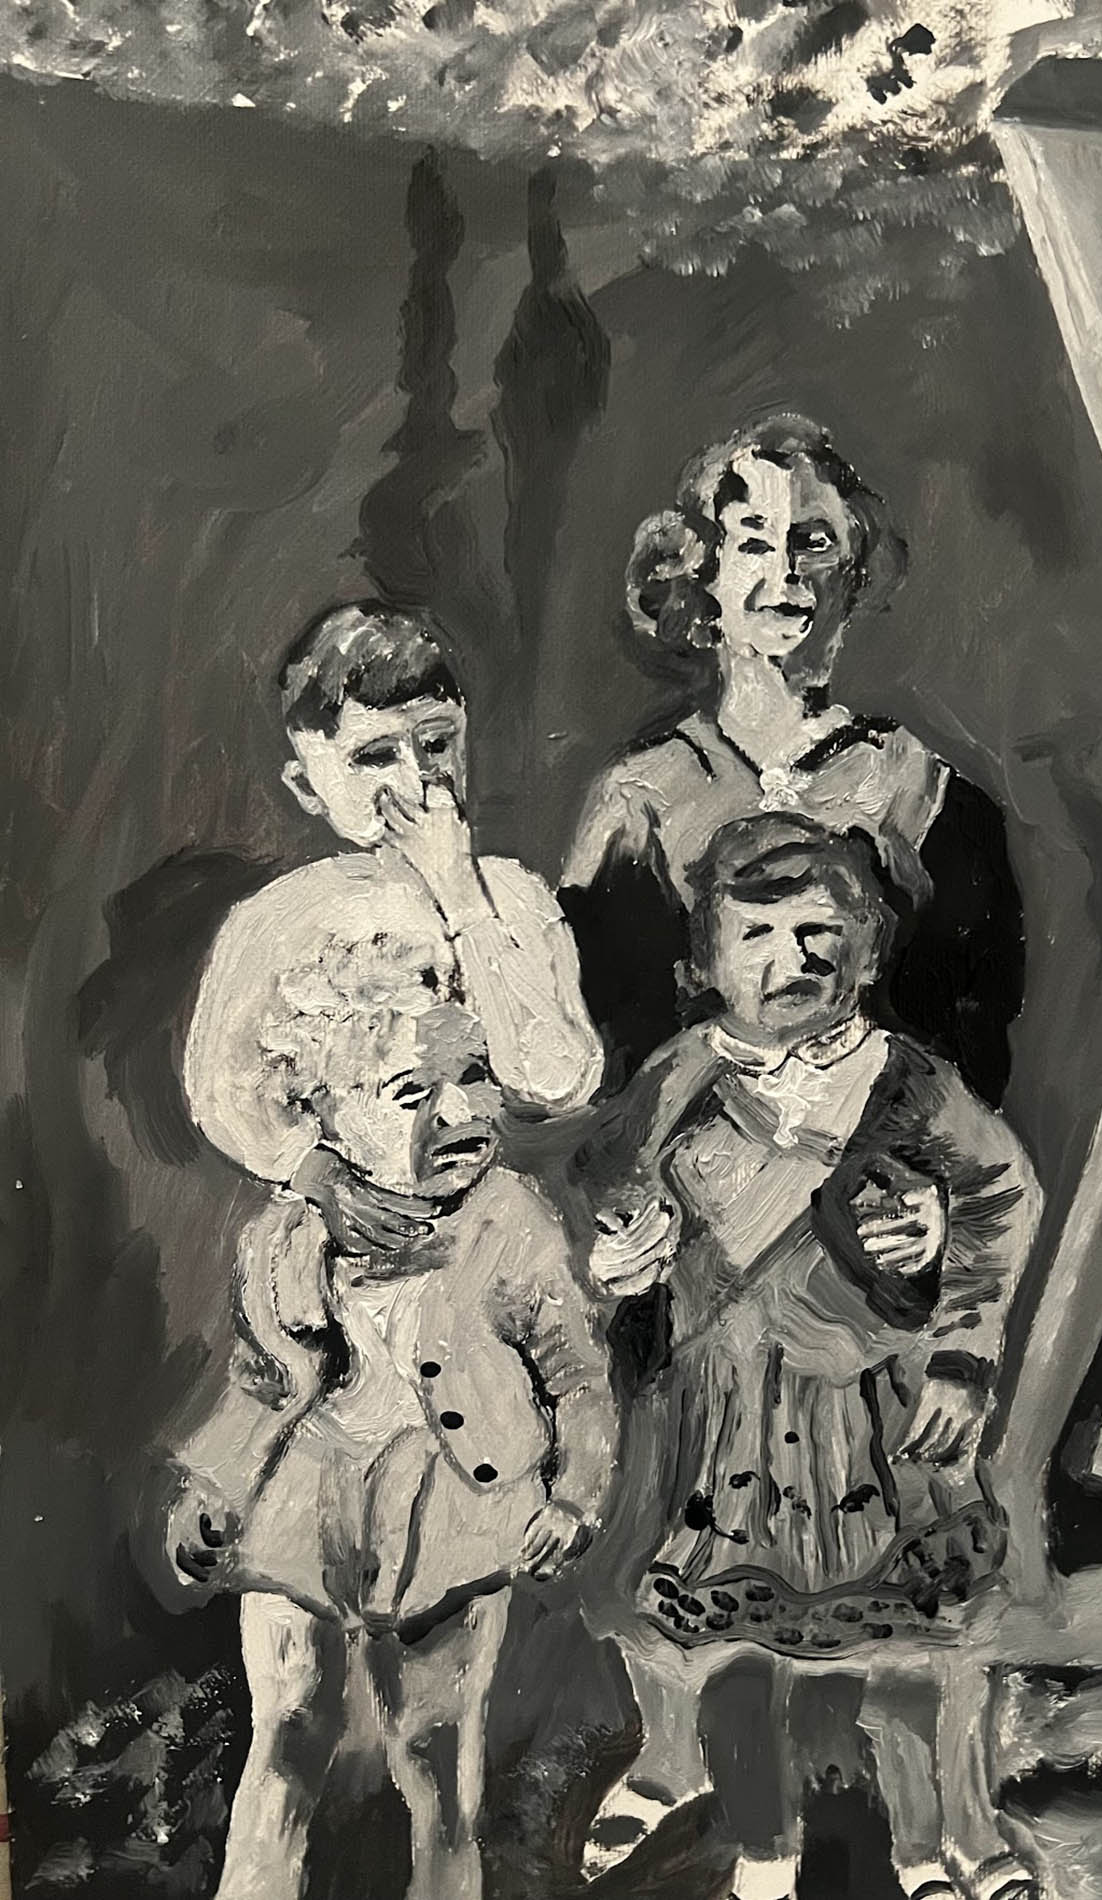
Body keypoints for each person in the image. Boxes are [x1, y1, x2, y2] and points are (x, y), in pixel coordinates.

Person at [576, 815, 1042, 1900]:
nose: (794, 958)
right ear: (706, 963)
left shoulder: (908, 1081)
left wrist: (962, 1345)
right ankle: (764, 1850)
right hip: (722, 1423)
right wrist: (620, 1245)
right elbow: (608, 1180)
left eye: (821, 933)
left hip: (878, 1414)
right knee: (735, 1651)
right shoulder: (680, 1077)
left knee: (914, 1644)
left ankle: (930, 1844)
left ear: (866, 953)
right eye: (760, 935)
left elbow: (998, 1195)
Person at [166, 935, 617, 1900]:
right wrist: (214, 1490)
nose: (460, 1112)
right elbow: (260, 1380)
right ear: (324, 1119)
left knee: (436, 1750)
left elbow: (577, 1374)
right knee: (289, 1727)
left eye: (475, 1078)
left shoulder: (511, 1220)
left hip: (455, 1509)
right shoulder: (287, 1235)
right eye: (413, 1093)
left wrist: (576, 1494)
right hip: (304, 1503)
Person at [560, 412, 1024, 1112]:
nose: (786, 573)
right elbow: (605, 1043)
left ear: (854, 569)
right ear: (704, 576)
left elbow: (971, 1039)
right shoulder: (639, 797)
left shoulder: (916, 789)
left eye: (813, 542)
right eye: (753, 542)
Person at [186, 598, 605, 1247]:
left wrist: (460, 893)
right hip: (345, 1227)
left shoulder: (514, 897)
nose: (418, 779)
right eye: (375, 756)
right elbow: (221, 1086)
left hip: (495, 1224)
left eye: (436, 743)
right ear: (307, 787)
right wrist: (318, 1175)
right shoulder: (277, 919)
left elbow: (557, 1078)